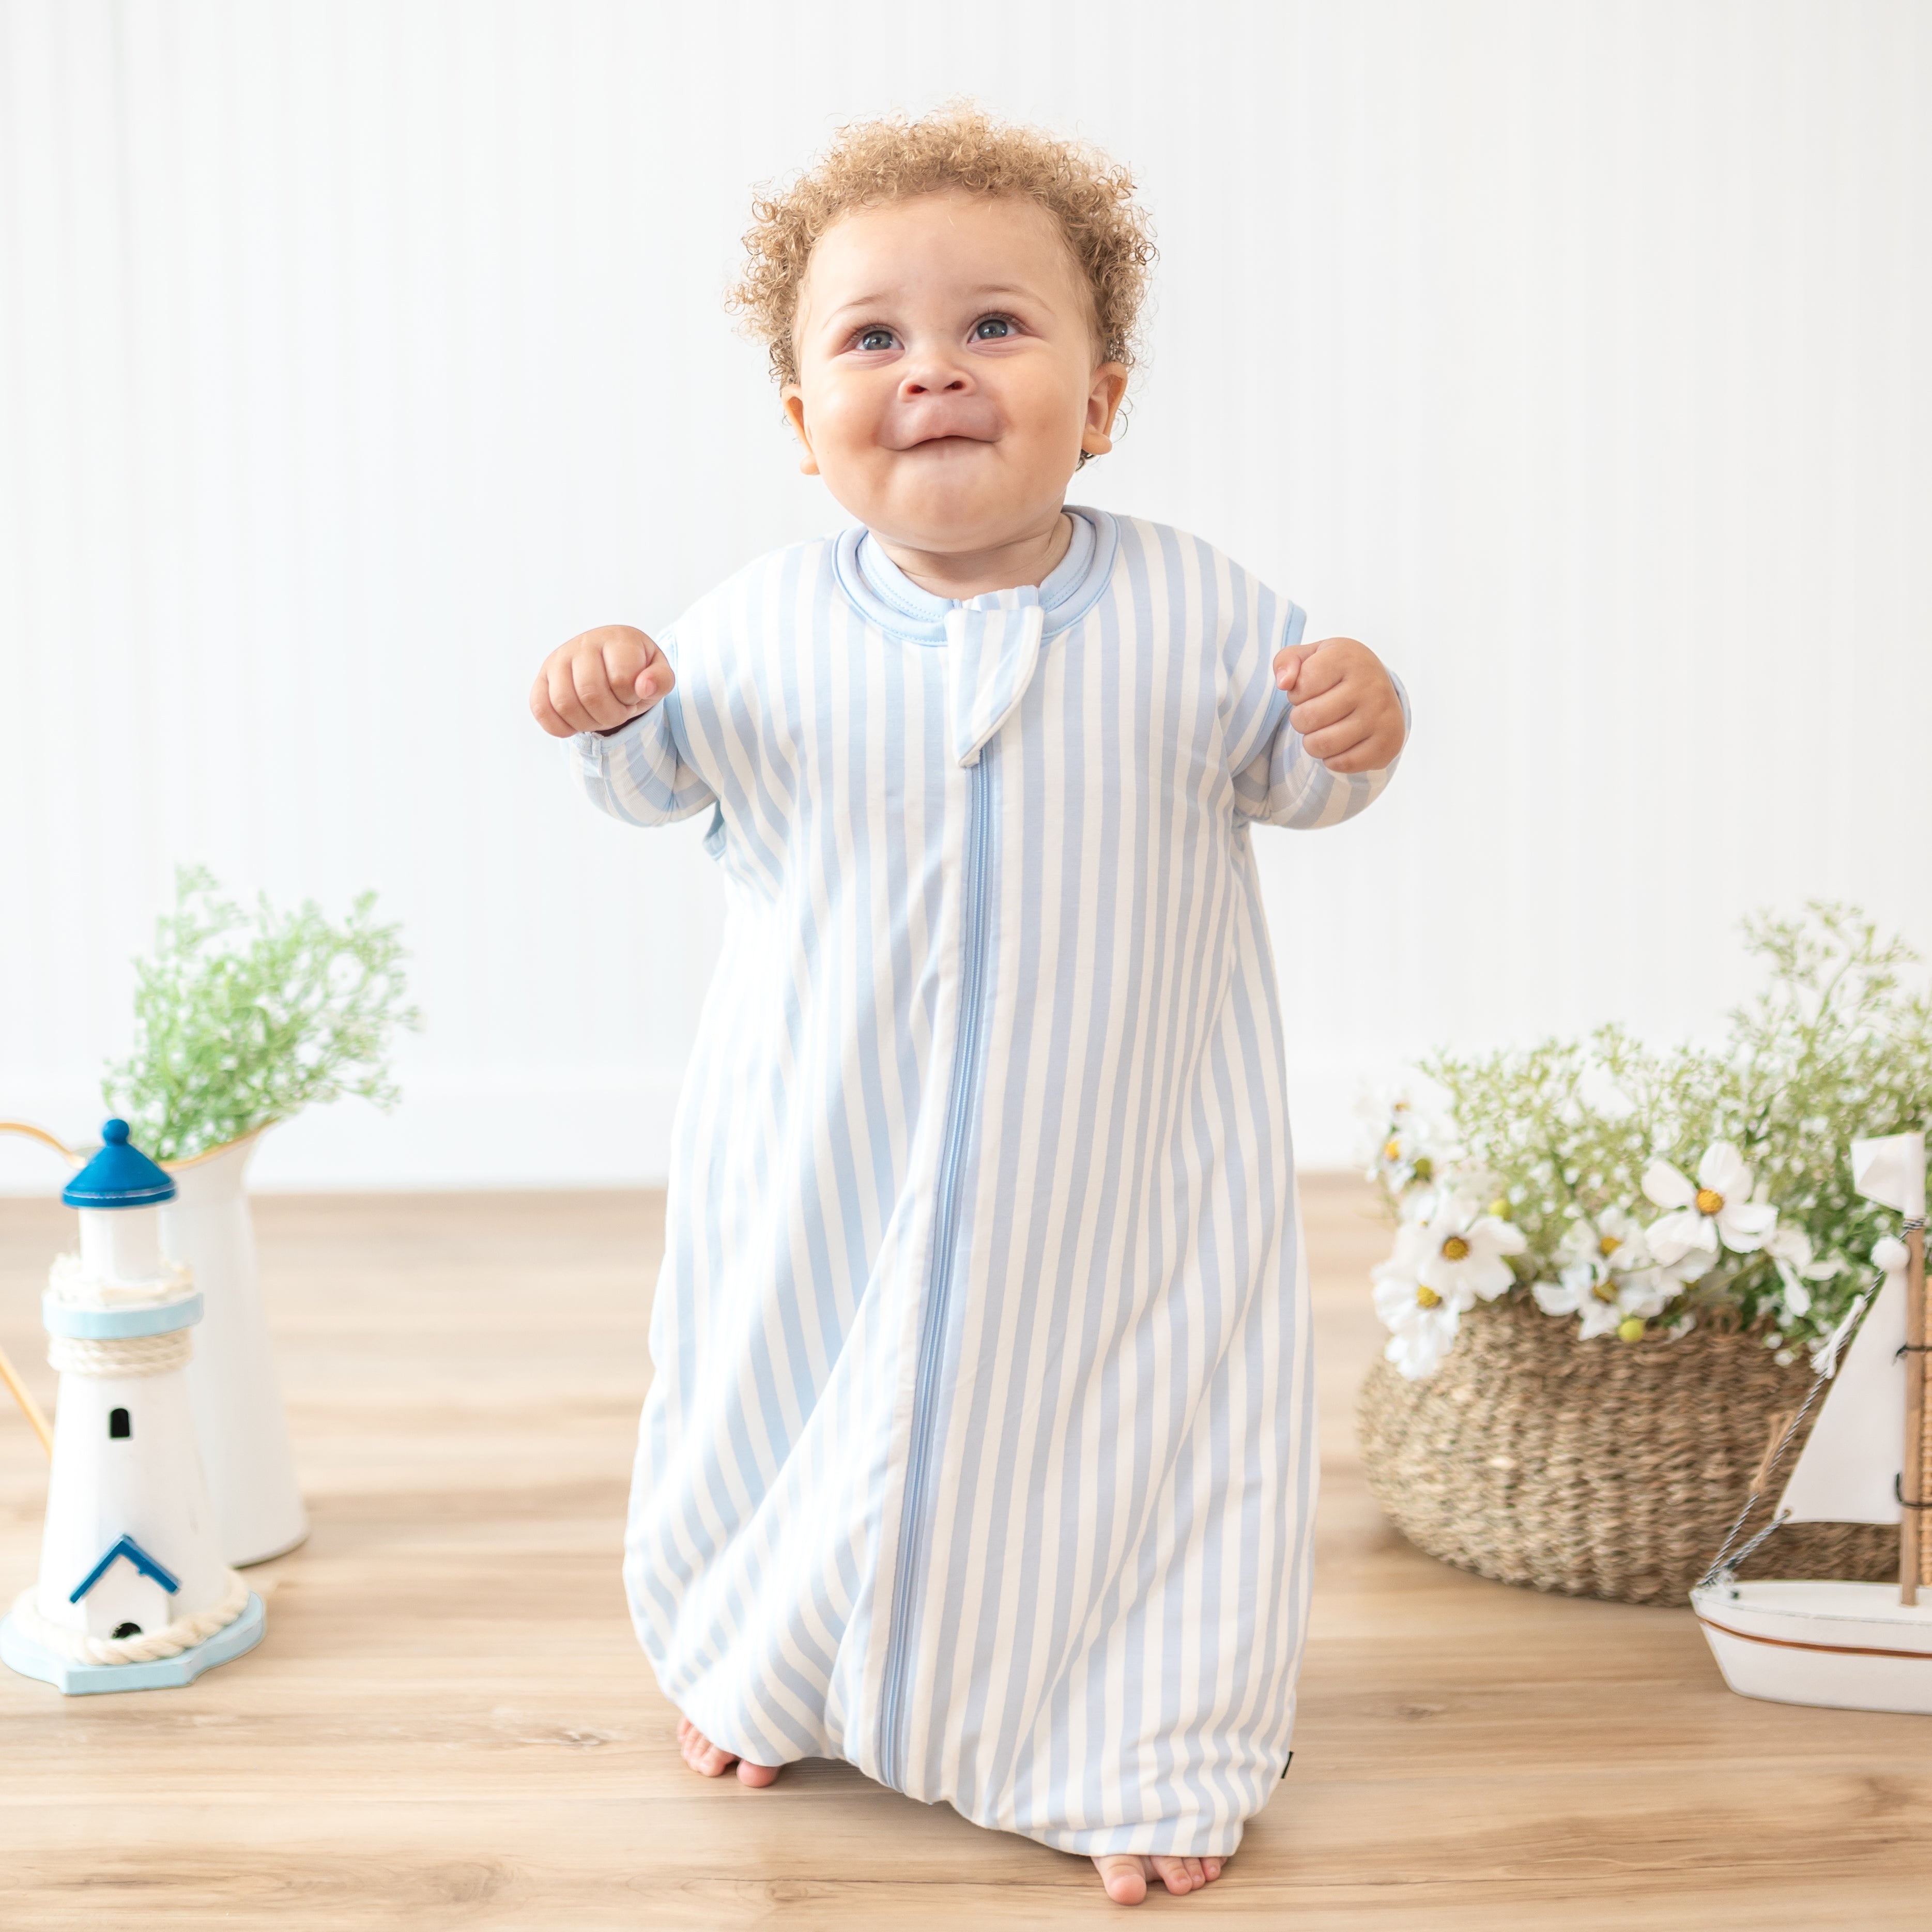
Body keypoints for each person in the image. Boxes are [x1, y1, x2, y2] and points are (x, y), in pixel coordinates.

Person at [529, 104, 1408, 1907]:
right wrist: (611, 700)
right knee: (778, 1408)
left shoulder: (1192, 610)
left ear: (1100, 397)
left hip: (1114, 1179)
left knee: (1139, 1447)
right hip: (823, 1173)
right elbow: (651, 777)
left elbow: (1301, 778)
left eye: (995, 326)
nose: (932, 370)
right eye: (871, 338)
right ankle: (767, 1658)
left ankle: (1144, 1736)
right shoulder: (760, 626)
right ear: (799, 424)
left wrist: (1355, 714)